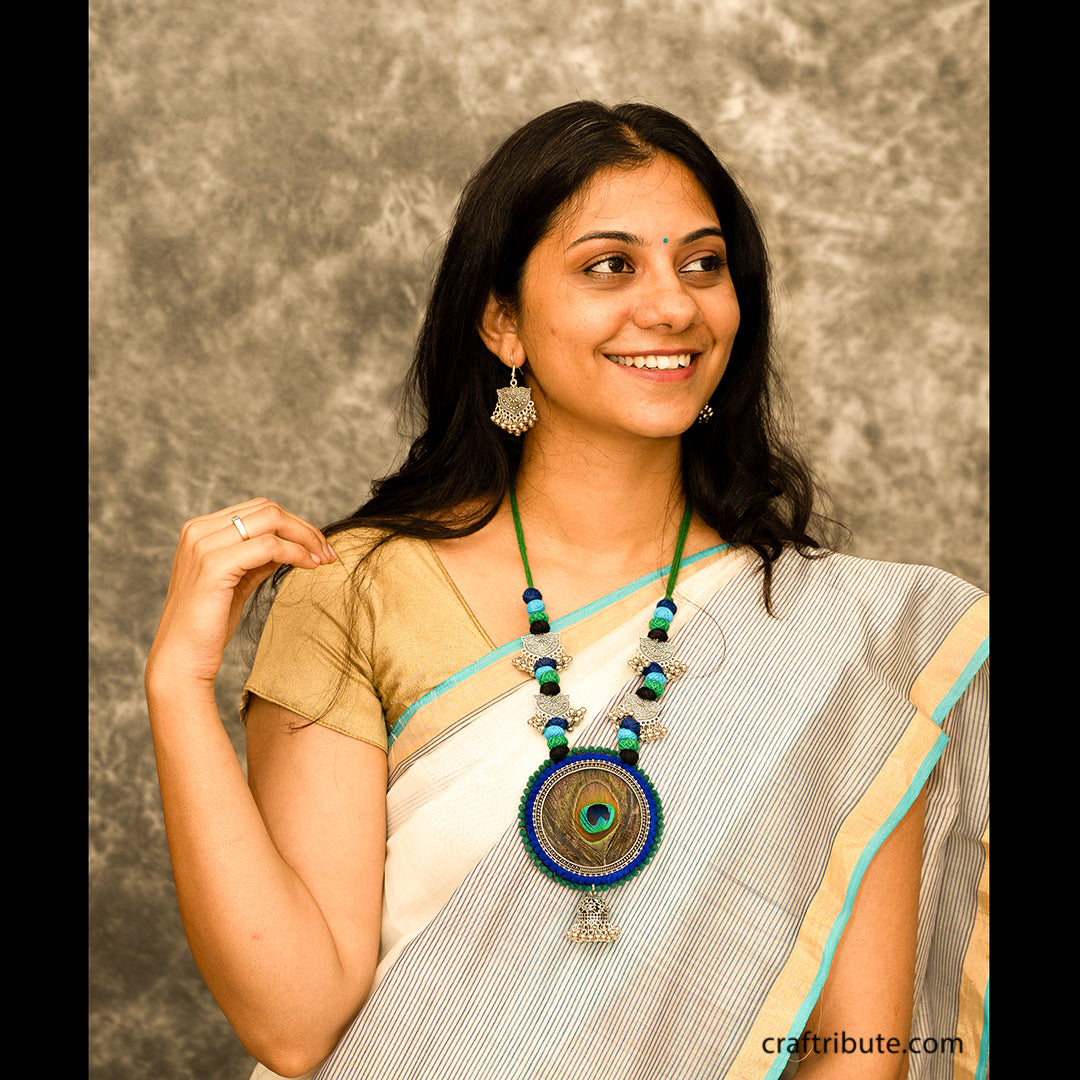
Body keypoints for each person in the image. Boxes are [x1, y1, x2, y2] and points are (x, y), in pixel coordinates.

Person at [145, 101, 989, 1080]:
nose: (673, 305)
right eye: (610, 265)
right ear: (502, 321)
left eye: (703, 264)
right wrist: (178, 683)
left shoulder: (849, 638)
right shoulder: (356, 591)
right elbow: (295, 1024)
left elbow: (857, 1053)